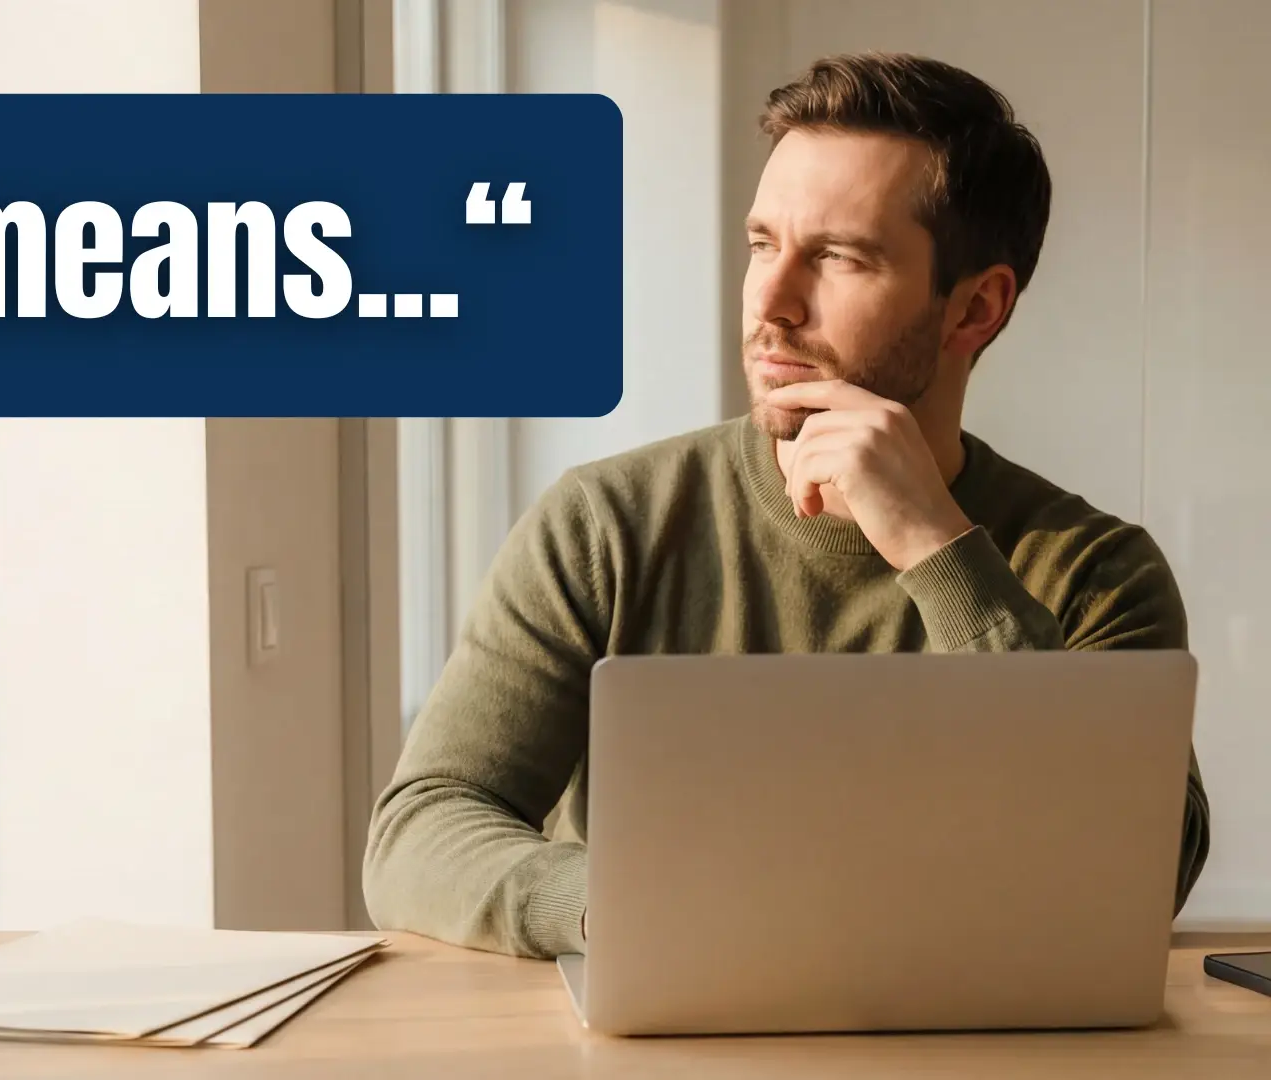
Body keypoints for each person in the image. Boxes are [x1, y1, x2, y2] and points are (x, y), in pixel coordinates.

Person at [362, 51, 1212, 960]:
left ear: (975, 309)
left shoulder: (1094, 571)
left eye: (838, 258)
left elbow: (1141, 873)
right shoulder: (606, 524)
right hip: (664, 1028)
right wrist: (625, 906)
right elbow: (422, 828)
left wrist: (936, 546)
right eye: (763, 244)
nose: (770, 303)